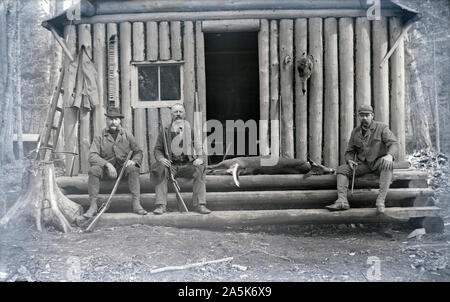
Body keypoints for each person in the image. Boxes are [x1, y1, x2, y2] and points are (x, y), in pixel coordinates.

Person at [325, 105, 399, 214]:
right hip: (363, 165)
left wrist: (389, 155)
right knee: (342, 169)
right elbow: (350, 151)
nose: (364, 118)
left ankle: (380, 201)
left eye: (367, 115)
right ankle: (342, 201)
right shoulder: (355, 132)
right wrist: (350, 160)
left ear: (372, 116)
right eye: (361, 115)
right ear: (358, 117)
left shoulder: (382, 127)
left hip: (379, 163)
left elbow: (394, 143)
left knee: (388, 165)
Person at [85, 107, 147, 218]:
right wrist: (107, 165)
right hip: (105, 170)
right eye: (110, 119)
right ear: (106, 120)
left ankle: (136, 203)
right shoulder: (99, 136)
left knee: (134, 168)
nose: (113, 122)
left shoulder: (127, 134)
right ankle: (93, 206)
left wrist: (133, 161)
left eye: (116, 119)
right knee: (93, 170)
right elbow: (92, 155)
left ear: (120, 120)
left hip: (124, 169)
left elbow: (138, 152)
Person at [151, 104, 211, 215]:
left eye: (180, 112)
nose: (178, 114)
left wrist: (200, 158)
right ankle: (161, 205)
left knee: (200, 168)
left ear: (184, 114)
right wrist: (161, 158)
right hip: (171, 166)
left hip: (187, 165)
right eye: (175, 112)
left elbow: (199, 148)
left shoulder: (191, 131)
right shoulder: (164, 132)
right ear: (171, 114)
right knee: (161, 169)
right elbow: (157, 149)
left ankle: (200, 204)